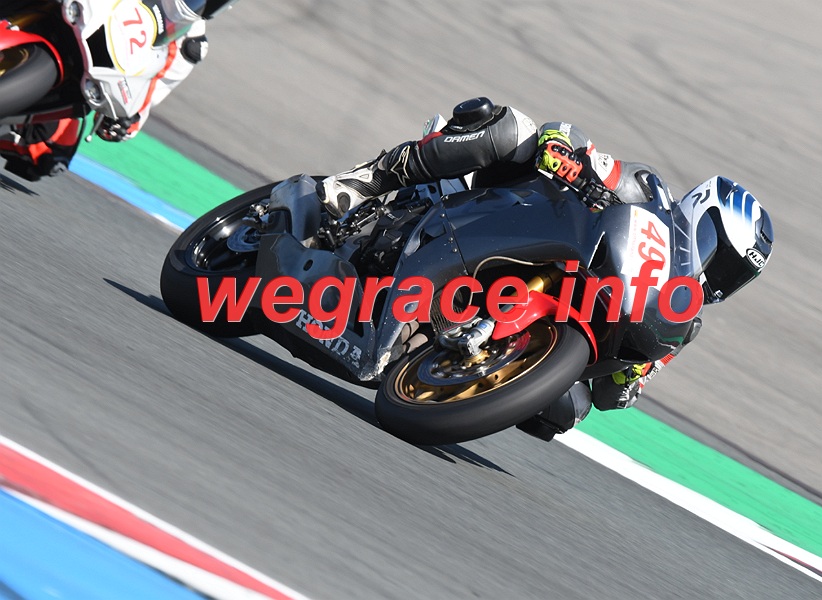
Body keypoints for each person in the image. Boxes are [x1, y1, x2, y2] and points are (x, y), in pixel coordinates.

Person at [317, 97, 774, 439]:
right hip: (511, 212)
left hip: (555, 312)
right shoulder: (647, 190)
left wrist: (634, 372)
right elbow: (566, 136)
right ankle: (364, 181)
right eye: (721, 257)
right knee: (514, 130)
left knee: (566, 410)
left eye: (733, 277)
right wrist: (568, 159)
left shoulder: (677, 316)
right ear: (703, 215)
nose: (718, 277)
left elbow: (612, 396)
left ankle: (447, 363)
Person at [0, 0, 238, 181]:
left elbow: (152, 90)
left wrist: (128, 120)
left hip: (79, 55)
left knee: (50, 152)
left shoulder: (188, 38)